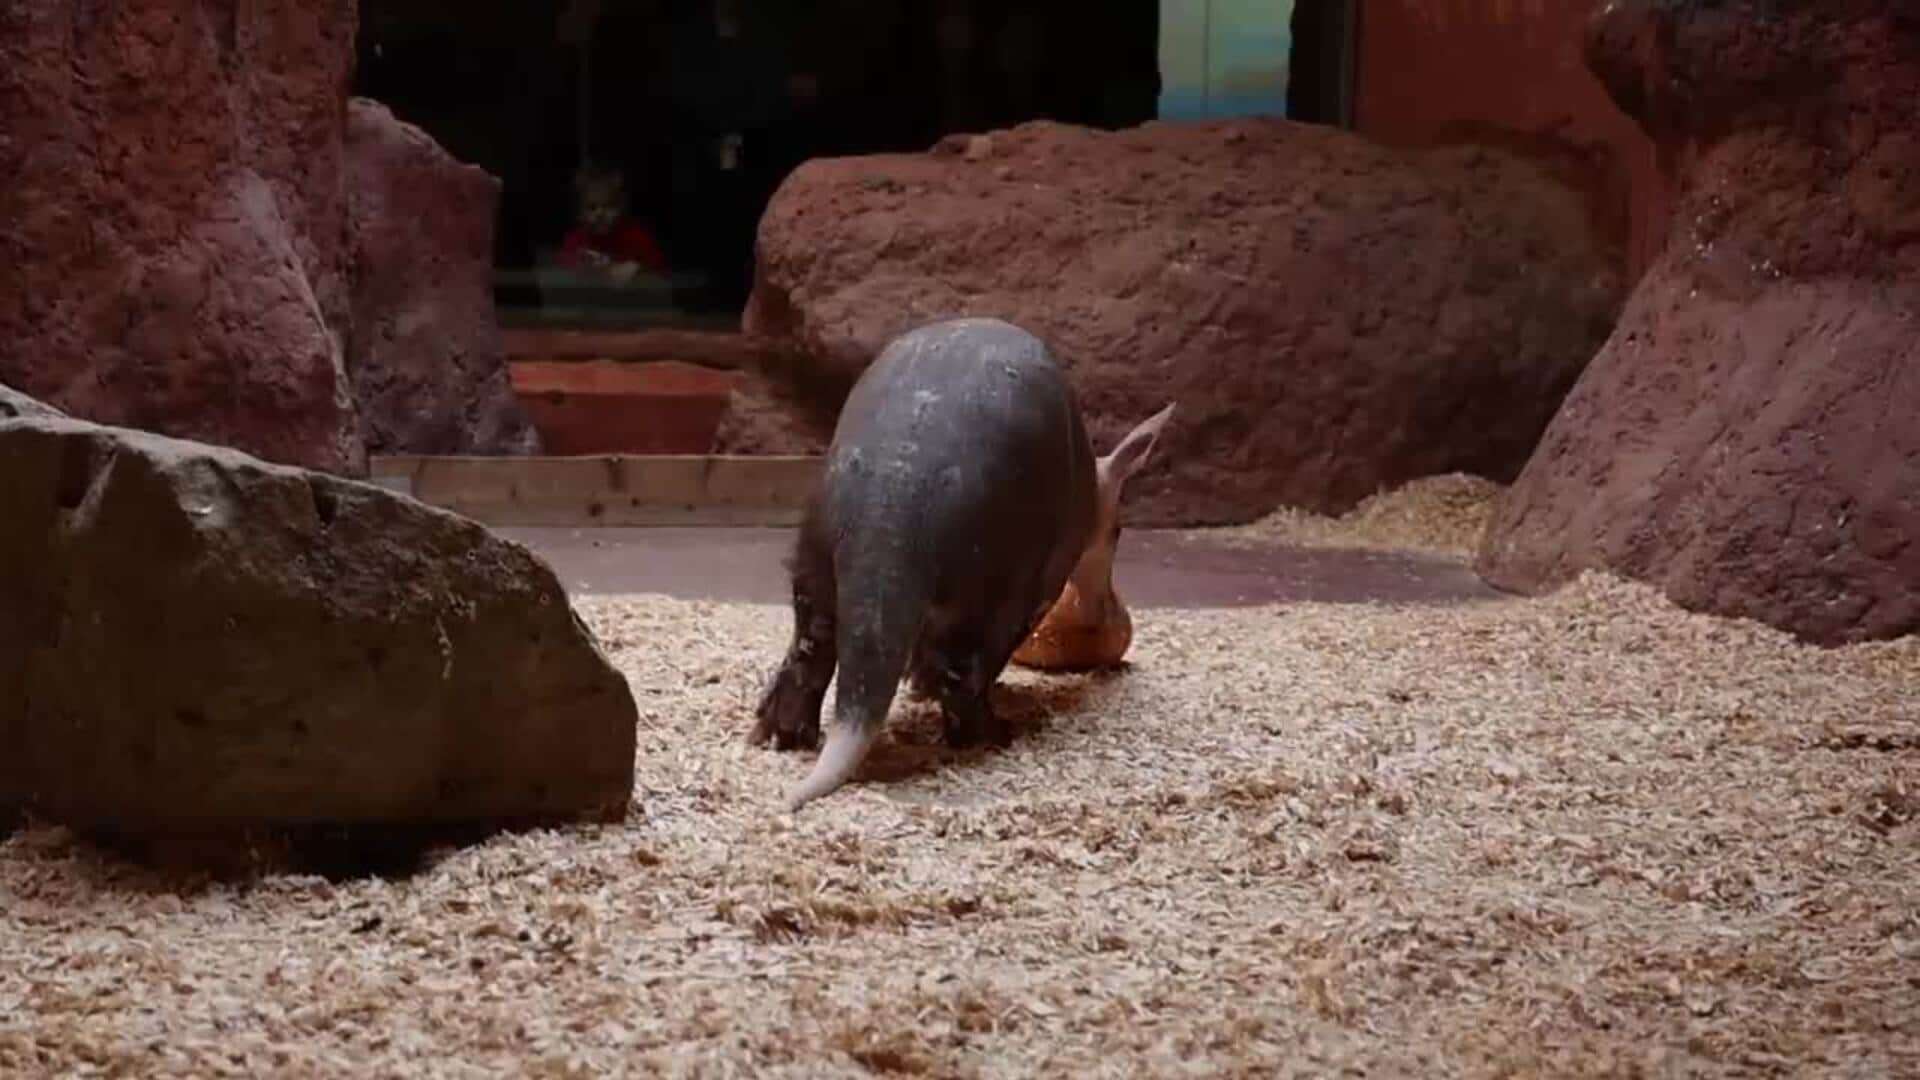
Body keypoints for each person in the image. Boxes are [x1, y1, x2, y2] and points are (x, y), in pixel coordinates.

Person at [555, 164, 668, 285]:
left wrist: (638, 269)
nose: (600, 214)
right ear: (579, 213)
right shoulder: (575, 239)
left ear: (622, 207)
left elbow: (661, 274)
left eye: (609, 206)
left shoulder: (638, 237)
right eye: (592, 208)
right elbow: (561, 271)